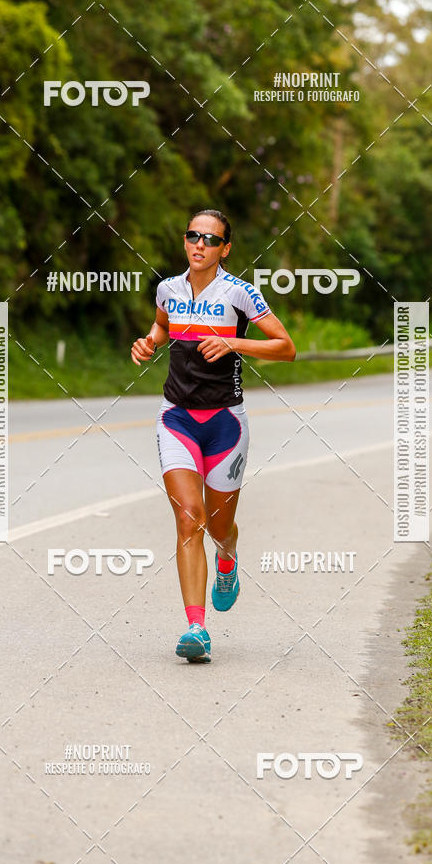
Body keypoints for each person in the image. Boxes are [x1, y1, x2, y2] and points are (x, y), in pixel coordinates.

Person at [131, 209, 296, 663]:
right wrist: (149, 341)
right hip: (177, 419)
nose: (199, 244)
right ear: (185, 241)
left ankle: (228, 556)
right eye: (192, 235)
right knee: (190, 519)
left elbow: (286, 348)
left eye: (210, 238)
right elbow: (162, 326)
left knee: (219, 527)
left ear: (225, 248)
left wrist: (234, 343)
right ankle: (196, 628)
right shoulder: (168, 289)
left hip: (226, 424)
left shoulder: (240, 293)